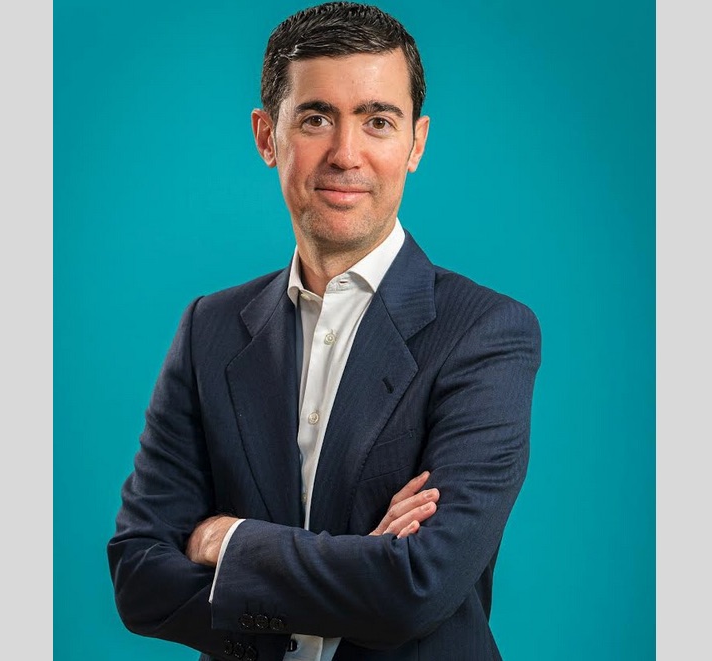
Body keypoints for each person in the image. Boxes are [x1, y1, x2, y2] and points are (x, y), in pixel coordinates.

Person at [107, 2, 542, 660]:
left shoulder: (486, 332)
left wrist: (227, 541)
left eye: (378, 121)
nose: (346, 154)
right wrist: (358, 567)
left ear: (415, 143)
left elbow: (417, 585)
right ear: (267, 136)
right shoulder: (209, 329)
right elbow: (140, 576)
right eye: (316, 118)